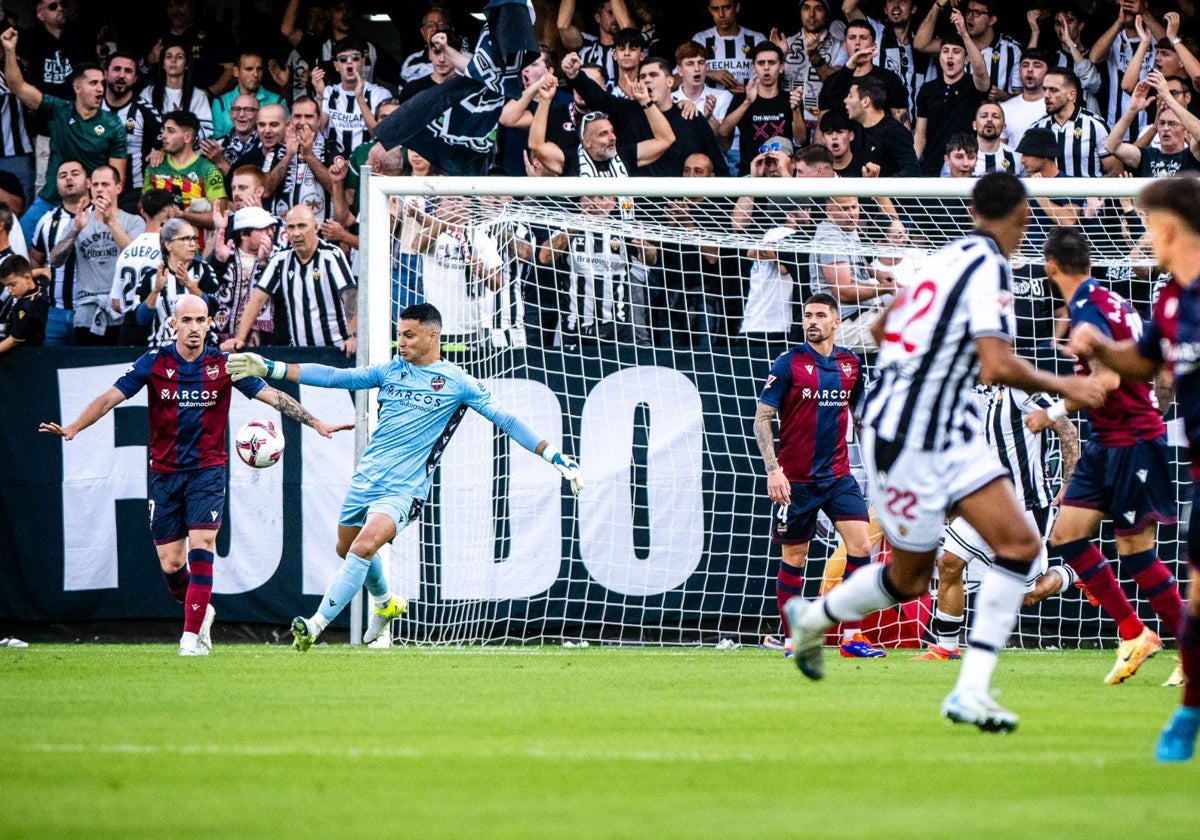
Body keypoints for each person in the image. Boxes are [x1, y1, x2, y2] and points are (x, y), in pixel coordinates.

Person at [785, 173, 1105, 732]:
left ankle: (963, 687)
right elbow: (995, 363)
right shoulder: (990, 267)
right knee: (930, 572)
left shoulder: (944, 259)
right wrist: (1068, 387)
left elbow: (885, 328)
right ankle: (823, 622)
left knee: (995, 553)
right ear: (1023, 216)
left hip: (930, 426)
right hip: (912, 432)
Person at [224, 302, 583, 651]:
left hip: (406, 489)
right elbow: (335, 376)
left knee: (364, 547)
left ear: (432, 336)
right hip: (366, 478)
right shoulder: (391, 370)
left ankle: (314, 625)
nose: (403, 343)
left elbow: (507, 420)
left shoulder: (458, 383)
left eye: (409, 336)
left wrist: (553, 456)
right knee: (346, 547)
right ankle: (386, 603)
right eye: (399, 335)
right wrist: (270, 367)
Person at [38, 293, 349, 656]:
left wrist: (315, 422)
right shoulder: (154, 363)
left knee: (202, 545)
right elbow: (110, 398)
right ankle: (201, 611)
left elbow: (272, 396)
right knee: (171, 565)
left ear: (209, 324)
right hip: (164, 473)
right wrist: (75, 426)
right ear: (174, 324)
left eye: (201, 321)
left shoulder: (225, 364)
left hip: (208, 471)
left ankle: (190, 640)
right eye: (187, 321)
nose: (195, 328)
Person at [1063, 174, 1200, 762]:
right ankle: (1189, 706)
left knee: (1138, 554)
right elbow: (1141, 362)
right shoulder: (1169, 299)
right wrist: (1095, 345)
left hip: (1130, 441)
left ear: (1168, 228)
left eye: (1148, 226)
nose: (1146, 238)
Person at [1024, 225, 1184, 687]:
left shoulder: (1089, 314)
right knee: (1066, 537)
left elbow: (1107, 383)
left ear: (1050, 266)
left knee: (1135, 553)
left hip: (1133, 437)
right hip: (1105, 439)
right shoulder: (1111, 300)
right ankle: (1134, 633)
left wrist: (1049, 411)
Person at [753, 292, 886, 659]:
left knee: (861, 548)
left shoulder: (851, 364)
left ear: (835, 321)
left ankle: (852, 637)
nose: (811, 321)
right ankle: (796, 640)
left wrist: (877, 466)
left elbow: (860, 419)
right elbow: (762, 419)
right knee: (796, 557)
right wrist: (773, 470)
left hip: (838, 476)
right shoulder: (788, 363)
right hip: (795, 481)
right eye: (807, 315)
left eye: (820, 315)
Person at [915, 383, 1080, 660]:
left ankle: (1076, 573)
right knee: (949, 563)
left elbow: (1066, 428)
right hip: (987, 504)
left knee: (1026, 596)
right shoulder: (984, 396)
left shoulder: (1019, 390)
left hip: (1024, 508)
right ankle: (946, 647)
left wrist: (1069, 483)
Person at [2, 27, 128, 244]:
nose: (100, 89)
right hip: (51, 199)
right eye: (93, 83)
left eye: (101, 83)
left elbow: (117, 177)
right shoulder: (58, 109)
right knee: (16, 241)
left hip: (90, 205)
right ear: (77, 87)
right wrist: (10, 51)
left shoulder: (112, 124)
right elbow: (18, 86)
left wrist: (100, 205)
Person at [223, 205, 356, 355]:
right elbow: (257, 299)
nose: (296, 233)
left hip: (336, 350)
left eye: (302, 226)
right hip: (300, 353)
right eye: (291, 228)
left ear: (316, 228)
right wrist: (239, 338)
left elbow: (350, 296)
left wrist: (354, 337)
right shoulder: (280, 260)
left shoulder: (331, 255)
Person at [49, 163, 145, 345]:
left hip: (122, 309)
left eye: (105, 184)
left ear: (118, 187)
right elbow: (54, 261)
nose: (99, 189)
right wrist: (75, 230)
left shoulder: (133, 221)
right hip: (88, 311)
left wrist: (110, 221)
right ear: (89, 187)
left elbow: (136, 258)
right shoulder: (79, 221)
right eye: (95, 185)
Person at [142, 110, 228, 240]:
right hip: (160, 246)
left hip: (197, 250)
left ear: (187, 137)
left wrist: (181, 214)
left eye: (170, 131)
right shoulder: (154, 167)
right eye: (163, 130)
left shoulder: (208, 170)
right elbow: (142, 205)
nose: (163, 135)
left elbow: (218, 218)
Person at [0, 254, 50, 353]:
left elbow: (14, 340)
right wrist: (27, 275)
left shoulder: (25, 307)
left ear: (27, 278)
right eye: (6, 286)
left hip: (23, 353)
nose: (9, 290)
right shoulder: (40, 284)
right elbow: (46, 271)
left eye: (12, 285)